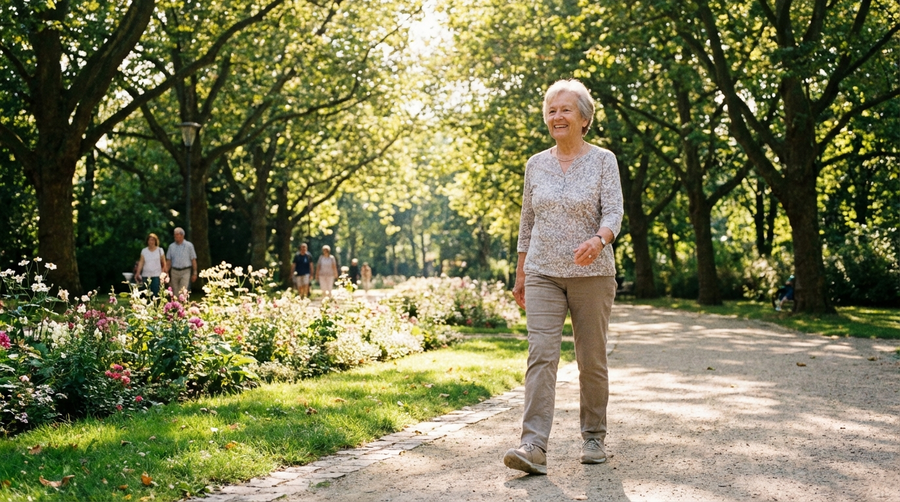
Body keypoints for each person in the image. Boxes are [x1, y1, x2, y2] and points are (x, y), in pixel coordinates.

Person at [504, 79, 624, 475]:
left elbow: (614, 211)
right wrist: (521, 272)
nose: (557, 116)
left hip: (592, 274)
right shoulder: (535, 164)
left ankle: (593, 436)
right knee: (541, 354)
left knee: (591, 360)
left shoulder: (603, 160)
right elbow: (527, 222)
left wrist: (600, 240)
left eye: (565, 109)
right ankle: (533, 445)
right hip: (542, 272)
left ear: (584, 118)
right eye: (551, 110)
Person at [165, 227, 197, 298]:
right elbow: (168, 261)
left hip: (185, 271)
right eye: (174, 235)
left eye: (177, 234)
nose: (175, 236)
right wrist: (166, 272)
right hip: (174, 271)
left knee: (183, 291)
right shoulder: (171, 247)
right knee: (175, 292)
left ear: (182, 235)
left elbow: (193, 260)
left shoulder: (189, 246)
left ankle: (183, 304)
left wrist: (195, 273)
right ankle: (176, 304)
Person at [134, 233, 166, 297]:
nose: (151, 242)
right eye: (150, 240)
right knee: (146, 295)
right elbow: (141, 262)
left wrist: (163, 273)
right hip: (146, 275)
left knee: (155, 295)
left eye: (153, 240)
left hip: (156, 275)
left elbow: (163, 263)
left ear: (155, 241)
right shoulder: (144, 251)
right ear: (147, 241)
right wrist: (137, 273)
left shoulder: (160, 250)